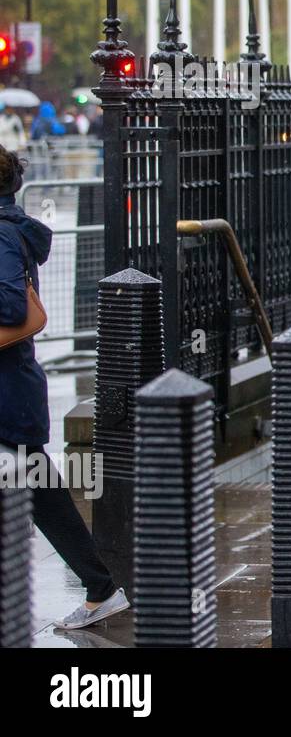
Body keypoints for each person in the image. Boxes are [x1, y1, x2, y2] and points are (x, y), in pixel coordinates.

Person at [0, 145, 131, 631]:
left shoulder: (1, 235)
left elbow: (12, 307)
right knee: (40, 493)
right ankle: (100, 588)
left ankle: (101, 588)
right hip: (14, 390)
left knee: (41, 494)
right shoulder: (11, 231)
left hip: (7, 393)